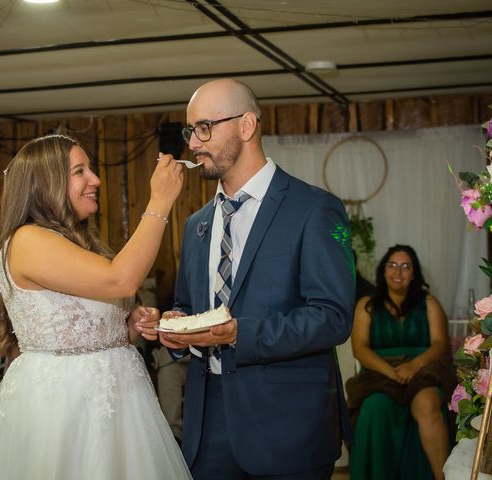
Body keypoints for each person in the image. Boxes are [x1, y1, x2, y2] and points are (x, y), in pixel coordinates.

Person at [158, 78, 355, 479]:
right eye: (190, 130)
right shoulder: (197, 225)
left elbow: (333, 317)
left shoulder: (314, 209)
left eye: (205, 128)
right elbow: (187, 307)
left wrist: (237, 334)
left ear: (247, 126)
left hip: (288, 426)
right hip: (207, 421)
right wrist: (172, 328)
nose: (194, 143)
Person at [0, 134, 191, 479]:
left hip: (118, 402)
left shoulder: (75, 242)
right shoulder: (28, 240)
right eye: (79, 171)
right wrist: (159, 202)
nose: (96, 180)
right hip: (66, 407)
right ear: (46, 184)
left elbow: (83, 328)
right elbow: (121, 280)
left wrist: (126, 327)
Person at [346, 244, 455, 480]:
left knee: (427, 403)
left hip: (424, 371)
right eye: (392, 265)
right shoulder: (366, 305)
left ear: (414, 273)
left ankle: (441, 477)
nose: (398, 272)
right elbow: (360, 349)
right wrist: (392, 372)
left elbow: (439, 344)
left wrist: (413, 367)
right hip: (378, 375)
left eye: (406, 266)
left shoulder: (429, 304)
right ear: (383, 271)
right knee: (375, 407)